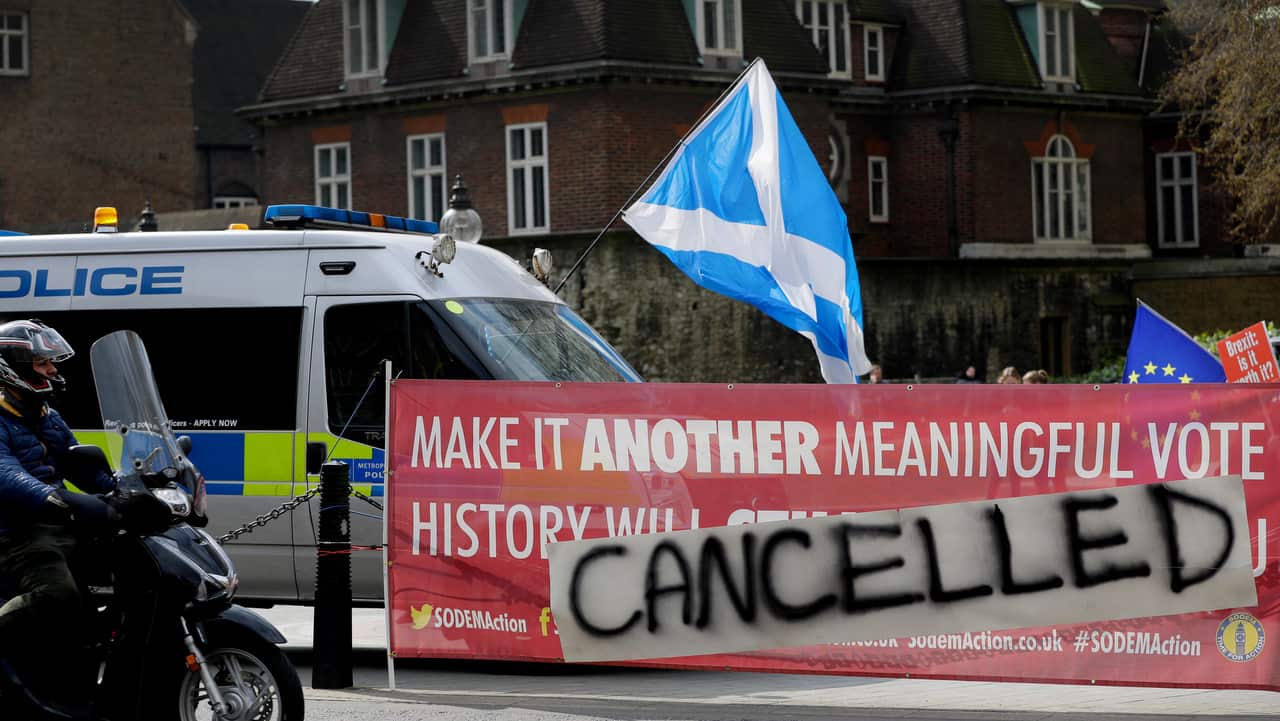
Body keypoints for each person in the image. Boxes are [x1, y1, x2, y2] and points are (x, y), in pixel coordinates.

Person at [0, 320, 117, 698]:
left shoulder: (45, 414)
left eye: (52, 362)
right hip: (17, 531)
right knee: (57, 595)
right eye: (41, 363)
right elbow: (6, 473)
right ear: (10, 367)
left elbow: (82, 467)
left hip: (55, 526)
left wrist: (128, 489)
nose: (53, 370)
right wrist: (50, 497)